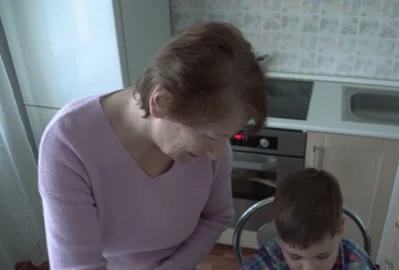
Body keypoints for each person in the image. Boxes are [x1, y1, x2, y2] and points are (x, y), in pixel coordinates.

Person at [38, 21, 267, 270]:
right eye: (211, 136)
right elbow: (77, 266)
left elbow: (217, 216)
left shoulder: (213, 142)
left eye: (227, 137)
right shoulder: (68, 144)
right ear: (161, 103)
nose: (217, 153)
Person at [241, 168, 378, 270]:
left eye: (322, 256)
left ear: (340, 228)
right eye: (295, 257)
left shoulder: (356, 264)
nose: (308, 269)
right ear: (278, 233)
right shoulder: (269, 259)